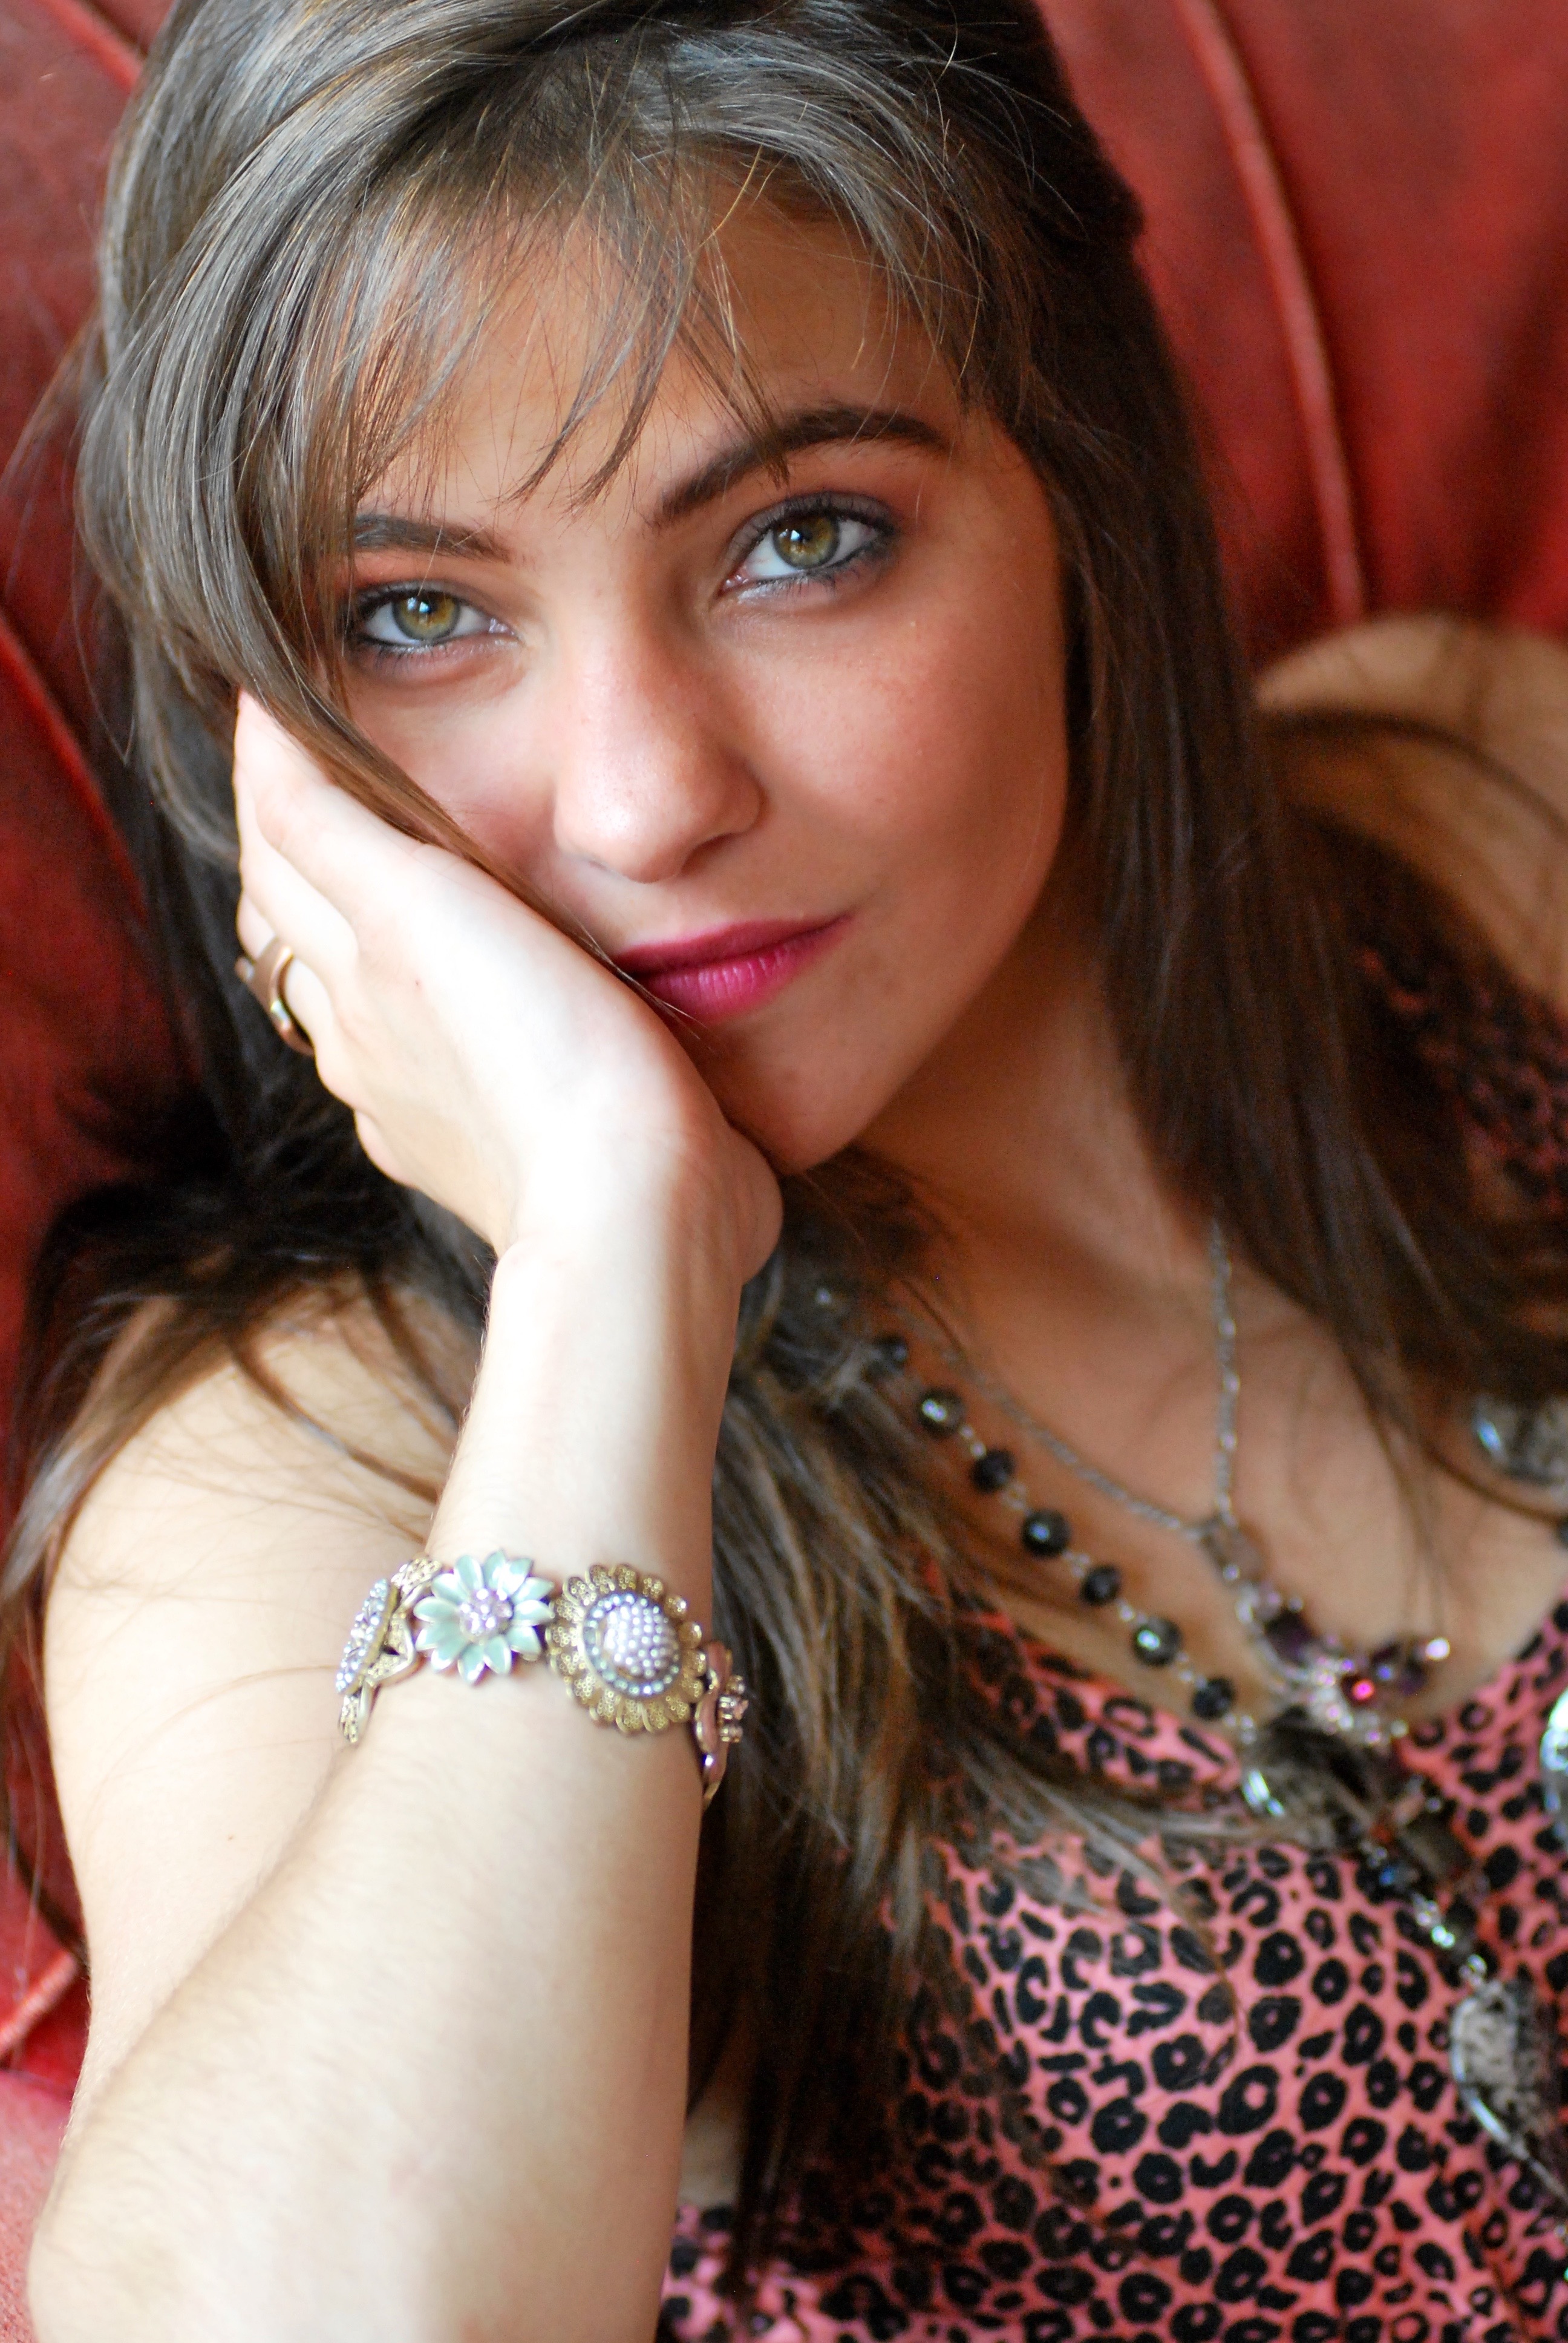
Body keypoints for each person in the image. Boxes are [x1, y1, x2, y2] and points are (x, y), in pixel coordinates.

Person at [10, 0, 1568, 2332]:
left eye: (800, 541)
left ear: (1072, 477)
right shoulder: (314, 1460)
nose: (644, 800)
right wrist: (611, 1264)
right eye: (417, 617)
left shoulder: (1483, 818)